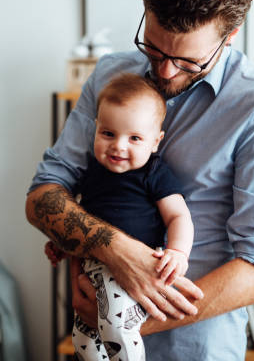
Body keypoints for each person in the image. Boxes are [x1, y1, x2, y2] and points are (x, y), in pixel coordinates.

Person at [26, 0, 254, 359]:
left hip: (195, 348)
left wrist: (123, 321)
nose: (167, 72)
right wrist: (115, 251)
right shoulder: (108, 78)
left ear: (231, 35)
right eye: (154, 50)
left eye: (189, 60)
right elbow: (42, 198)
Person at [45, 73, 194, 360]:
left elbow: (178, 216)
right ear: (96, 129)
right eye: (108, 134)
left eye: (135, 138)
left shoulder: (153, 173)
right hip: (93, 268)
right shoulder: (90, 174)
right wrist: (63, 243)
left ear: (155, 142)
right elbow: (82, 222)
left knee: (116, 326)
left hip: (133, 271)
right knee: (83, 341)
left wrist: (178, 252)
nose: (119, 146)